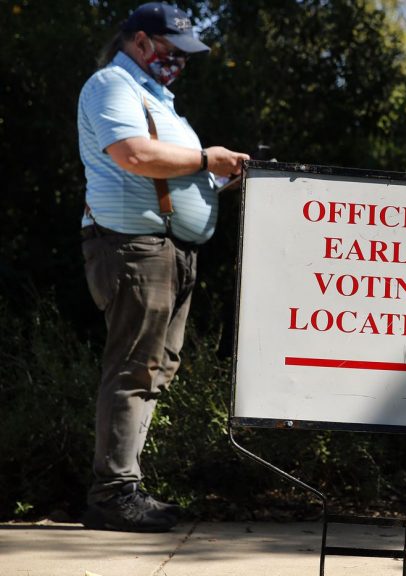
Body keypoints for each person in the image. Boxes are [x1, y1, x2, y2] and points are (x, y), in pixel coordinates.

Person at [77, 2, 248, 532]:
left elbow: (161, 168)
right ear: (142, 42)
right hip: (134, 247)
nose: (180, 62)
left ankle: (126, 485)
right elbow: (133, 155)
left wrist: (214, 181)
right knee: (134, 367)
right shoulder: (112, 85)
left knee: (154, 369)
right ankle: (113, 494)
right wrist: (205, 160)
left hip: (168, 249)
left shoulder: (155, 97)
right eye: (173, 52)